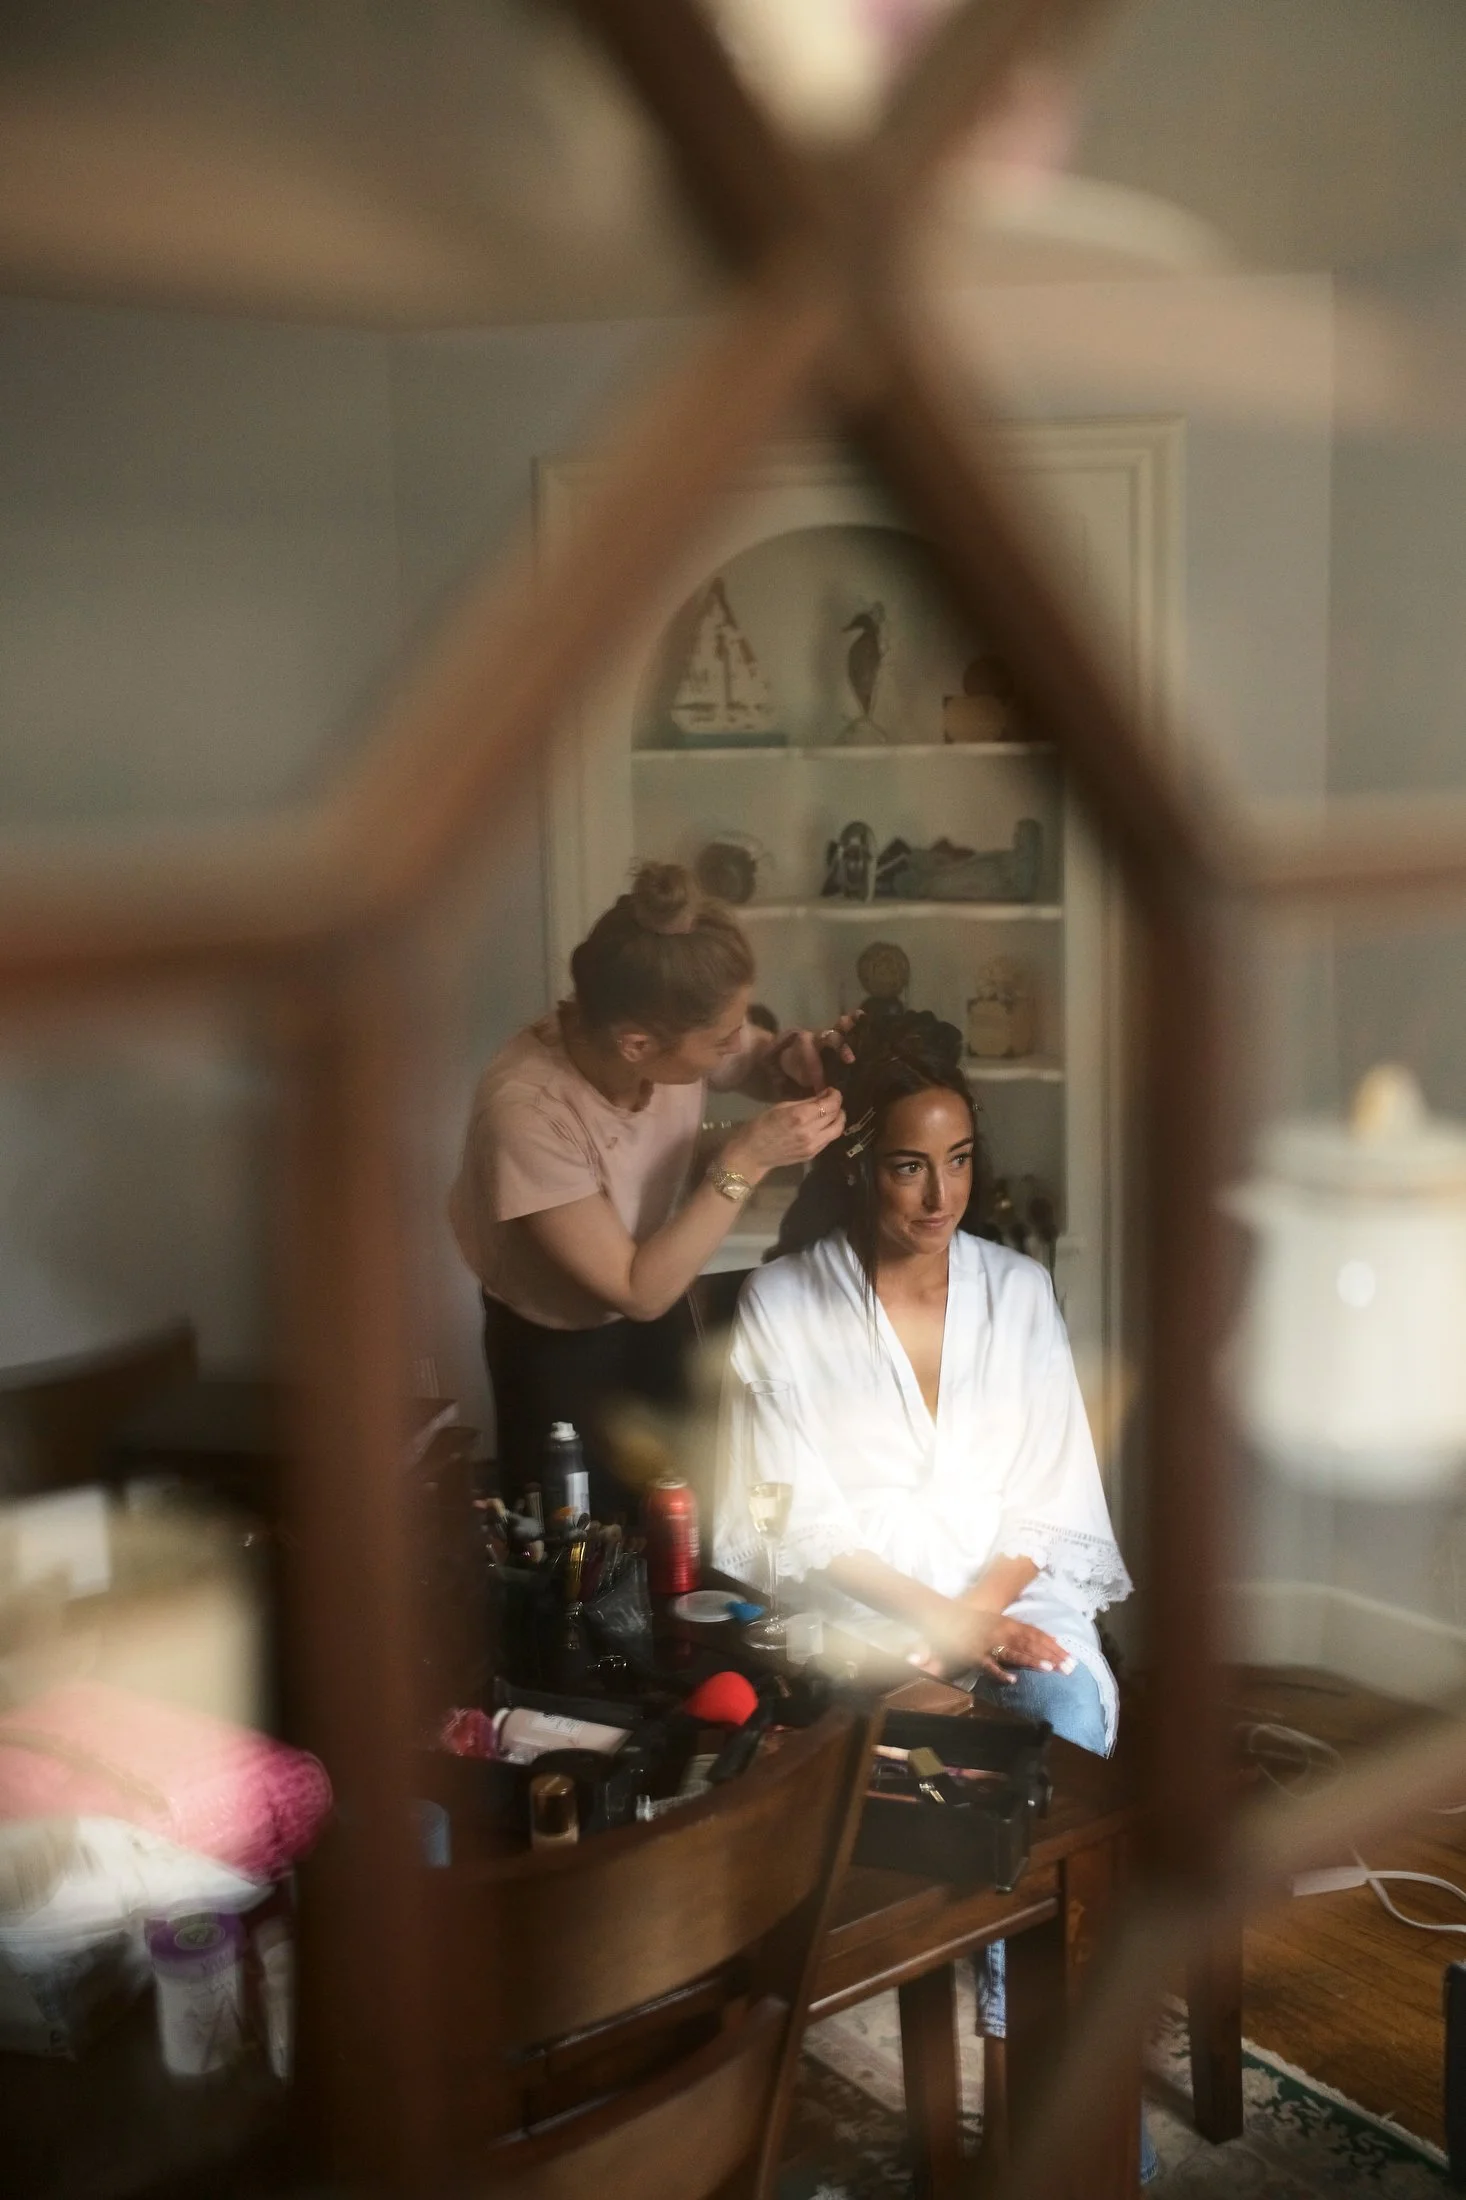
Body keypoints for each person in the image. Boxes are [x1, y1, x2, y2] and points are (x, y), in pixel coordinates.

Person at [713, 1011, 1153, 2178]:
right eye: (910, 1162)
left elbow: (1049, 1495)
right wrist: (940, 1625)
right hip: (865, 1624)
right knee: (932, 1773)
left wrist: (984, 1611)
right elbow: (788, 1523)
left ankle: (1039, 2095)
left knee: (1052, 1731)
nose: (937, 1192)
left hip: (1017, 1605)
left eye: (957, 1159)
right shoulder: (783, 1307)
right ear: (860, 1163)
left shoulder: (1016, 1294)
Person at [450, 861, 850, 1514]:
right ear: (637, 1043)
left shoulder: (666, 1022)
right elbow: (639, 1289)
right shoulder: (526, 1112)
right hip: (557, 1349)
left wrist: (789, 1058)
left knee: (681, 1508)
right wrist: (748, 1156)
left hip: (656, 1306)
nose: (734, 1046)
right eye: (721, 1038)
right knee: (578, 1544)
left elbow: (748, 1058)